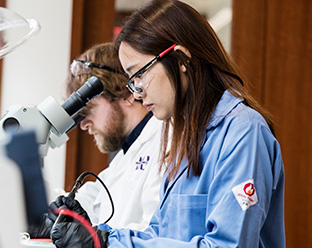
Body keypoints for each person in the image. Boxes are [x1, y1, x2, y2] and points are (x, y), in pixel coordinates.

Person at [50, 0, 285, 247]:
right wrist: (99, 235)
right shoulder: (187, 137)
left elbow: (227, 245)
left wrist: (104, 243)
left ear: (181, 58)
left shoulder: (242, 133)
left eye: (140, 74)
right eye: (132, 80)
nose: (137, 93)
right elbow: (159, 233)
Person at [28, 42, 165, 238]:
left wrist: (100, 240)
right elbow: (84, 204)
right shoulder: (123, 158)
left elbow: (158, 235)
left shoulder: (164, 142)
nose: (83, 125)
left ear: (126, 93)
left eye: (88, 110)